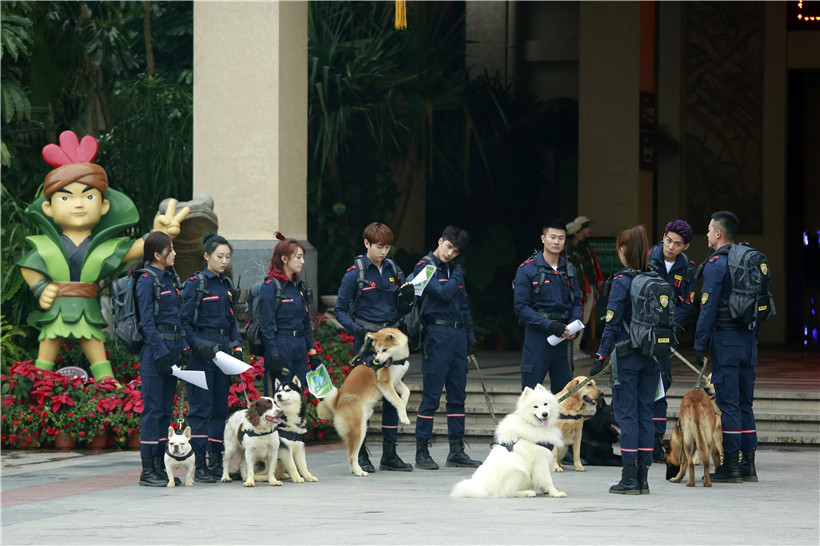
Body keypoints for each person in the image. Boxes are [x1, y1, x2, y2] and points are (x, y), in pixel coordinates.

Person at [18, 131, 188, 382]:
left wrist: (157, 233)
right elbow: (29, 265)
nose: (78, 204)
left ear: (104, 206)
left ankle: (107, 387)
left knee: (96, 348)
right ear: (48, 208)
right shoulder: (45, 245)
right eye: (65, 197)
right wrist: (41, 288)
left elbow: (134, 249)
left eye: (88, 196)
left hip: (87, 308)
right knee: (47, 348)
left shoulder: (103, 247)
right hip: (57, 310)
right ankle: (38, 389)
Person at [334, 222, 416, 473]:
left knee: (391, 395)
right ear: (367, 244)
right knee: (364, 399)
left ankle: (390, 454)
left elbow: (401, 307)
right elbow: (339, 309)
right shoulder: (355, 273)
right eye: (379, 246)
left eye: (387, 247)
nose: (383, 251)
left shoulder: (393, 269)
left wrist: (408, 298)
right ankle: (364, 454)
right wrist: (358, 331)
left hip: (390, 342)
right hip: (367, 341)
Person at [591, 225, 657, 495]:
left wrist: (600, 355)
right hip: (652, 358)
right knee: (646, 416)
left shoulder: (622, 280)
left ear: (622, 251)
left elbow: (611, 321)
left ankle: (628, 479)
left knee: (627, 416)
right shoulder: (655, 278)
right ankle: (643, 479)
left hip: (627, 356)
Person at [694, 211, 759, 483]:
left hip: (726, 341)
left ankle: (731, 465)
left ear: (718, 233)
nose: (707, 234)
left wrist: (699, 344)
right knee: (745, 403)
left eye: (709, 229)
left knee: (729, 404)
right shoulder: (748, 261)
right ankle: (749, 467)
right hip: (748, 340)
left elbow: (707, 308)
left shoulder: (717, 264)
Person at [413, 226, 481, 470]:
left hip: (458, 334)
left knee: (457, 396)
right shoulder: (424, 267)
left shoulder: (454, 270)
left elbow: (464, 306)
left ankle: (456, 450)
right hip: (436, 334)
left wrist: (470, 339)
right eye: (448, 246)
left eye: (455, 250)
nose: (450, 253)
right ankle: (422, 449)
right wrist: (456, 276)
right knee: (431, 396)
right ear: (440, 240)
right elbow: (441, 294)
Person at [181, 232, 243, 483]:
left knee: (219, 409)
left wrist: (237, 347)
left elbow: (232, 321)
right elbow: (183, 322)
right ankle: (199, 463)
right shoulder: (195, 284)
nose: (224, 261)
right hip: (200, 355)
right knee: (200, 409)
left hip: (223, 354)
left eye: (227, 256)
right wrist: (197, 345)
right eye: (219, 256)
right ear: (206, 256)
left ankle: (217, 462)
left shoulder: (226, 285)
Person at [132, 232, 187, 486]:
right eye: (170, 249)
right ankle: (148, 468)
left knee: (165, 411)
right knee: (153, 411)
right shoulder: (147, 280)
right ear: (157, 255)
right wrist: (162, 354)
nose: (174, 253)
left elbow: (176, 319)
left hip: (172, 351)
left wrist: (182, 349)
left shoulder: (171, 279)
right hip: (155, 355)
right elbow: (147, 323)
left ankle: (161, 465)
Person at [513, 218, 583, 393]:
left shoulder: (570, 270)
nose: (557, 242)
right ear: (543, 238)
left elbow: (577, 302)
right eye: (553, 237)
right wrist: (549, 325)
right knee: (531, 394)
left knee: (565, 395)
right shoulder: (527, 269)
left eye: (561, 238)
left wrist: (574, 326)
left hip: (564, 337)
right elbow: (521, 308)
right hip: (538, 336)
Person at [648, 220, 697, 461]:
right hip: (642, 332)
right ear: (663, 237)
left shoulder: (687, 269)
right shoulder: (646, 259)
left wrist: (669, 324)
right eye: (668, 240)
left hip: (666, 336)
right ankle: (639, 440)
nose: (670, 247)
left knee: (661, 385)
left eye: (677, 244)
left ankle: (657, 441)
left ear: (685, 246)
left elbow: (685, 303)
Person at [259, 232, 319, 394]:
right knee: (279, 400)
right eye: (298, 257)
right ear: (284, 259)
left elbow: (305, 321)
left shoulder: (300, 286)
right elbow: (267, 327)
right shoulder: (271, 287)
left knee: (297, 398)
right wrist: (274, 355)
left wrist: (311, 351)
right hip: (281, 345)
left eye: (302, 257)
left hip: (299, 346)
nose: (303, 261)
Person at [566, 215, 605, 360]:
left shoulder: (585, 247)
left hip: (588, 288)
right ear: (577, 231)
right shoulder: (568, 248)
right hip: (577, 289)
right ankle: (570, 349)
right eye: (586, 227)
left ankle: (576, 348)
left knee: (584, 319)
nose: (589, 230)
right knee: (575, 318)